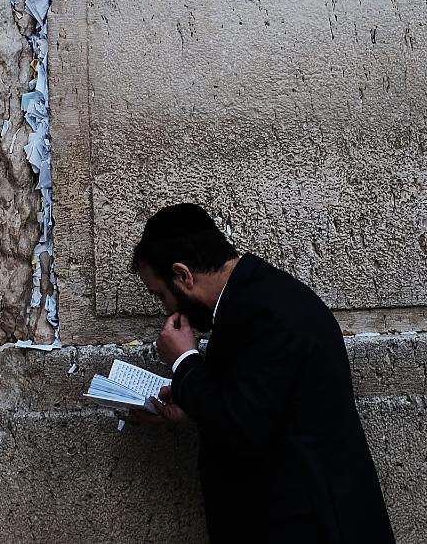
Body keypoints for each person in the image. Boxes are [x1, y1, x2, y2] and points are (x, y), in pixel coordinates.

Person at [127, 202, 396, 544]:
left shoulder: (265, 314)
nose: (165, 308)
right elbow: (254, 407)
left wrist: (183, 362)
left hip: (309, 526)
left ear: (183, 275)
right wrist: (190, 401)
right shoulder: (254, 298)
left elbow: (242, 430)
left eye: (161, 294)